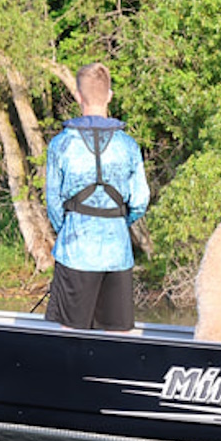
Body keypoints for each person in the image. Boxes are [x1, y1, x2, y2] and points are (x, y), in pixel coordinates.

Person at [44, 63, 150, 332]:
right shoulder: (128, 145)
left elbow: (53, 202)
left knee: (71, 333)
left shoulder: (61, 144)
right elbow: (140, 200)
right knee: (117, 333)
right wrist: (119, 222)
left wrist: (67, 228)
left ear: (78, 96)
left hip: (75, 250)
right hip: (117, 251)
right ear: (110, 96)